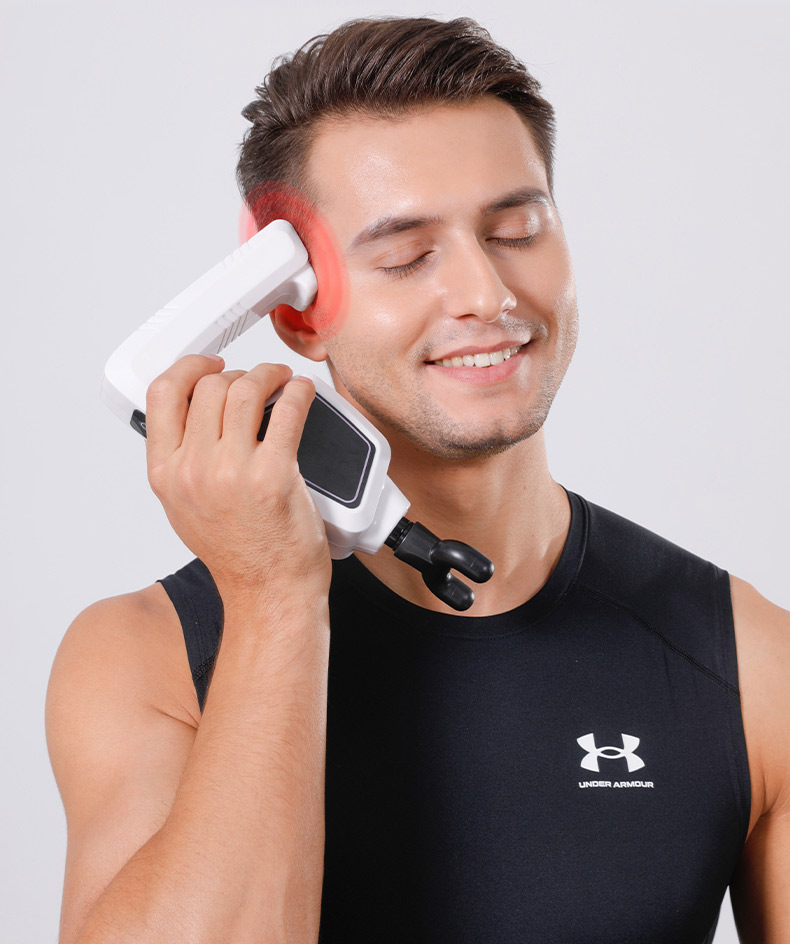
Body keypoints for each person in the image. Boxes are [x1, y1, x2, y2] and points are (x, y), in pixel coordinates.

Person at [45, 15, 789, 944]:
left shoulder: (751, 664)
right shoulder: (143, 660)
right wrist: (275, 602)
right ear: (295, 309)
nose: (487, 294)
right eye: (407, 256)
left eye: (517, 230)